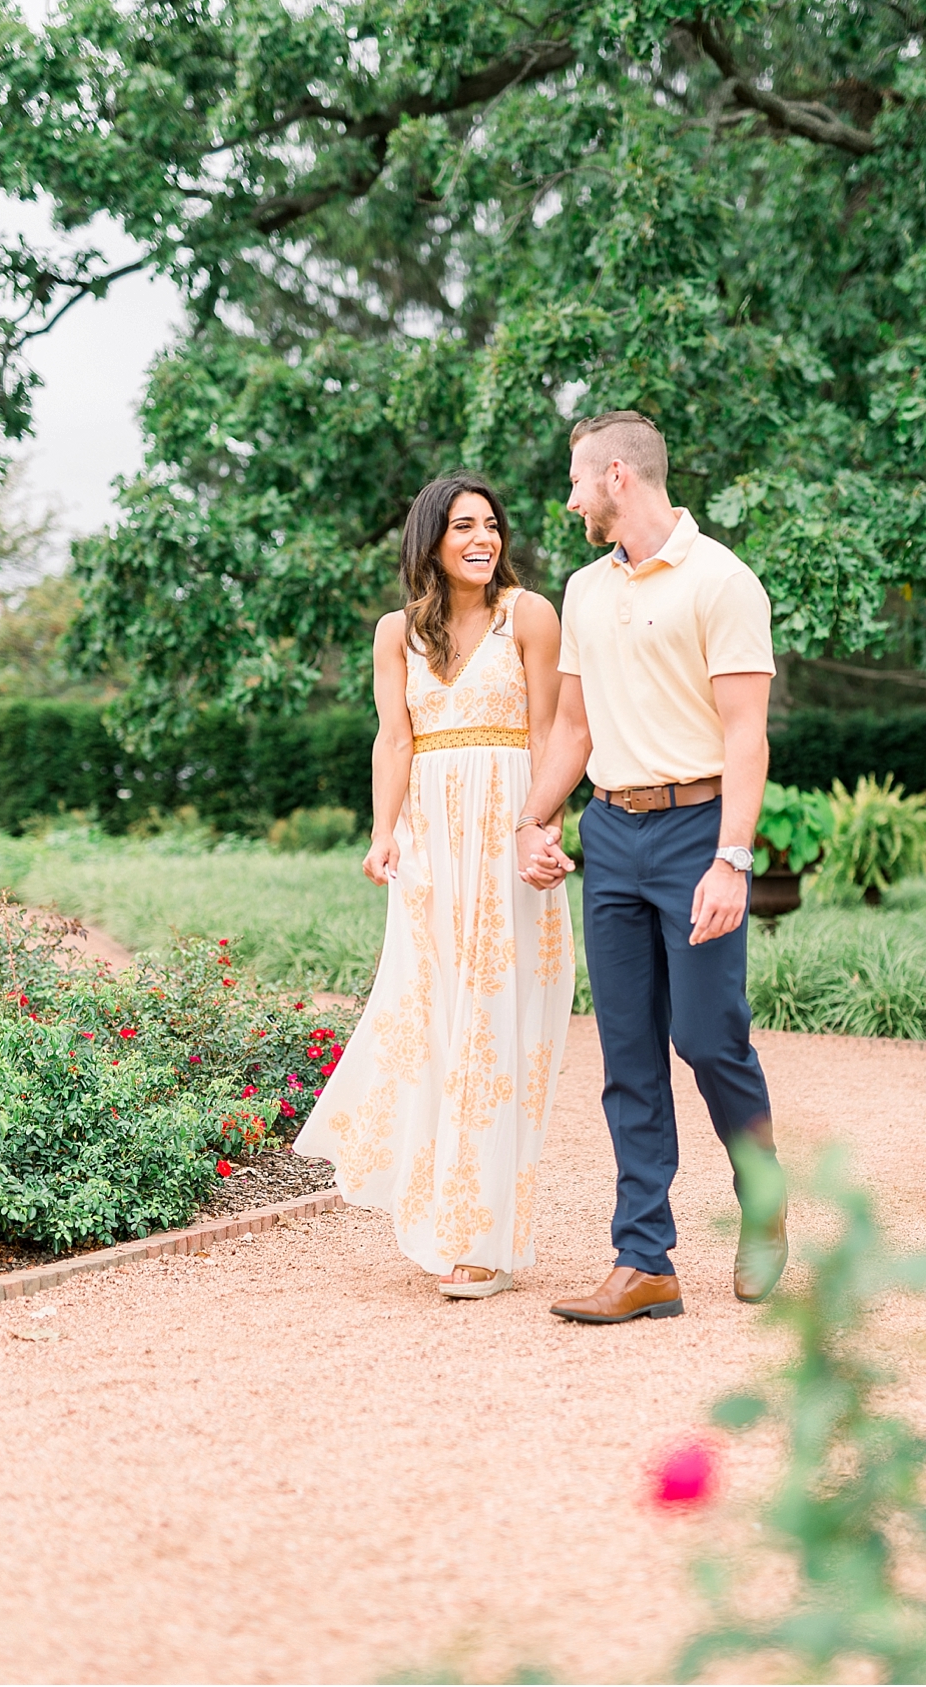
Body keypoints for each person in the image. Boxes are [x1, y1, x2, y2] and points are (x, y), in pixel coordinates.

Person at [515, 411, 787, 1324]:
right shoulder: (586, 590)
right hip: (614, 837)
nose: (571, 497)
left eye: (577, 480)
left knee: (710, 1037)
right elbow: (575, 730)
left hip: (698, 829)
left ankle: (763, 1201)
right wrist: (533, 818)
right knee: (628, 1054)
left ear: (619, 477)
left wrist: (732, 860)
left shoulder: (724, 581)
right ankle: (646, 1261)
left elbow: (748, 736)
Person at [294, 473, 575, 1300]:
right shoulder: (395, 635)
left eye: (491, 526)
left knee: (493, 1031)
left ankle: (482, 1239)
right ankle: (438, 1206)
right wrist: (383, 833)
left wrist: (540, 827)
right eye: (463, 527)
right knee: (429, 1022)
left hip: (506, 839)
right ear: (432, 539)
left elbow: (549, 731)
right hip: (429, 847)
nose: (483, 539)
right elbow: (394, 739)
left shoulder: (530, 616)